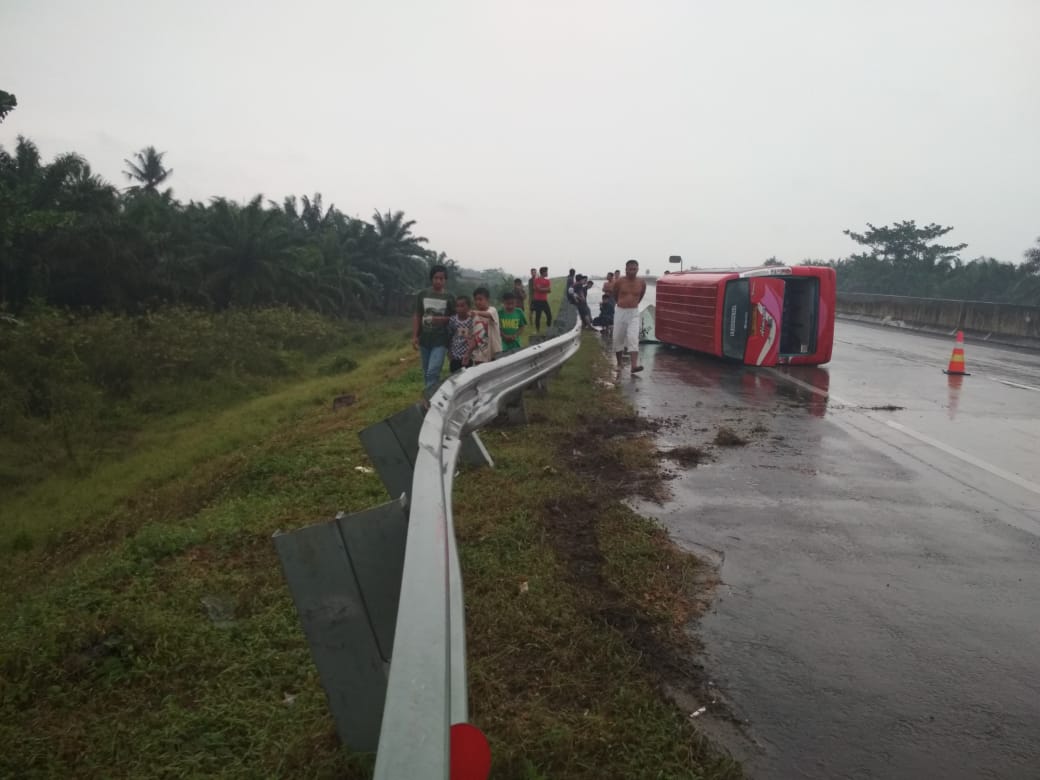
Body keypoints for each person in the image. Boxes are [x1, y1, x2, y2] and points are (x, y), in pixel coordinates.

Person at [412, 264, 454, 391]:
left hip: (440, 340)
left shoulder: (449, 297)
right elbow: (418, 315)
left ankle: (430, 401)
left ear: (445, 280)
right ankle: (430, 396)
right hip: (424, 339)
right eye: (436, 278)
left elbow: (455, 319)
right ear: (432, 278)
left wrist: (441, 320)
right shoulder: (423, 294)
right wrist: (414, 336)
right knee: (426, 372)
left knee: (432, 372)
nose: (438, 281)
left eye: (441, 278)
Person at [612, 259, 647, 375]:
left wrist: (633, 304)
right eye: (630, 269)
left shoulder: (641, 282)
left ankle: (634, 366)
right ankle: (619, 363)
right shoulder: (620, 282)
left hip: (634, 313)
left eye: (634, 269)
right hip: (621, 311)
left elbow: (640, 296)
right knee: (618, 337)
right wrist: (622, 303)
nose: (632, 271)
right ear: (626, 269)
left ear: (637, 269)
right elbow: (615, 295)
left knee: (633, 338)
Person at [469, 286, 501, 365]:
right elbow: (474, 335)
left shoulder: (492, 310)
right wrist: (469, 352)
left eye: (480, 299)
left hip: (494, 351)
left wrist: (477, 313)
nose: (477, 302)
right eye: (476, 299)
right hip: (480, 352)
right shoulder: (475, 317)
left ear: (487, 300)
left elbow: (488, 315)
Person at [447, 295, 475, 373]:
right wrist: (449, 351)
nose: (459, 309)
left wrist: (468, 353)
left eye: (462, 306)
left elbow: (473, 337)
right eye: (457, 306)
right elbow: (450, 334)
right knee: (455, 378)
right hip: (455, 356)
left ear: (469, 307)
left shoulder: (472, 320)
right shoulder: (453, 320)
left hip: (468, 356)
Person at [532, 266, 553, 331]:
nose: (547, 273)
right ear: (543, 272)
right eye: (546, 272)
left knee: (549, 315)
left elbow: (549, 290)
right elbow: (539, 289)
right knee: (538, 316)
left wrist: (542, 289)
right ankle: (537, 329)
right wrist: (545, 289)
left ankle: (548, 327)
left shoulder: (547, 281)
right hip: (537, 301)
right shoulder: (536, 280)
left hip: (544, 301)